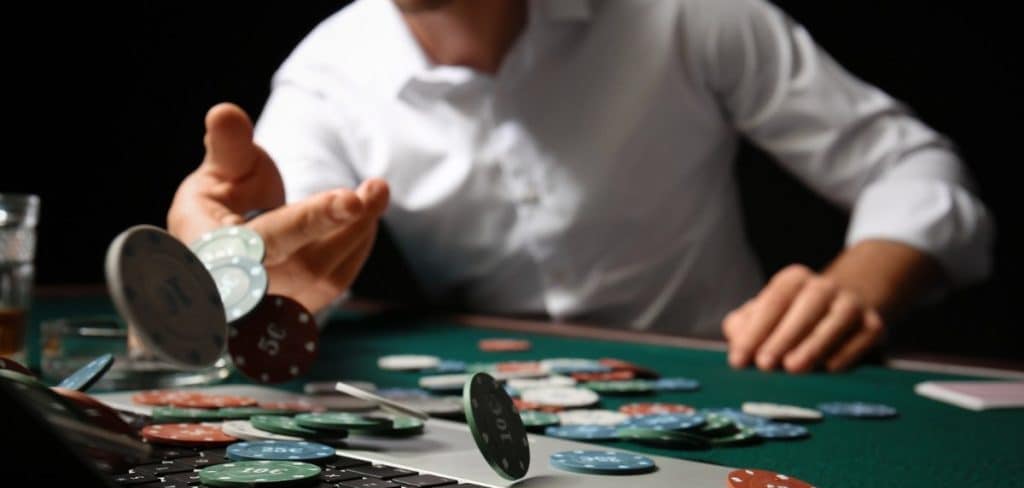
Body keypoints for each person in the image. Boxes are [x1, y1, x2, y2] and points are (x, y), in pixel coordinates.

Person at [168, 0, 992, 374]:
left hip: (747, 370)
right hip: (505, 401)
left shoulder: (690, 14)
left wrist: (859, 286)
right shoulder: (327, 73)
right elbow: (280, 258)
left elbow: (915, 166)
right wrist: (220, 268)